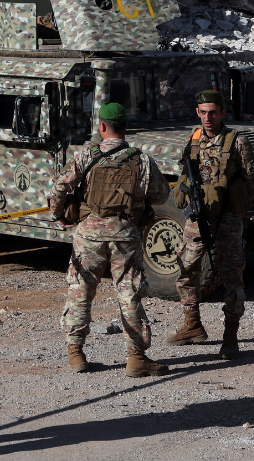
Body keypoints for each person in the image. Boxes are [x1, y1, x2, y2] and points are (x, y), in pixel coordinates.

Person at [49, 102, 170, 377]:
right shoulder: (142, 160)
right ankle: (136, 358)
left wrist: (59, 215)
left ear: (101, 126)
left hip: (89, 235)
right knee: (129, 293)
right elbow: (162, 196)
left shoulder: (85, 156)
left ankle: (75, 353)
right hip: (125, 235)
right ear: (126, 127)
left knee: (80, 291)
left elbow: (59, 186)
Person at [167, 90, 254, 360]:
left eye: (213, 112)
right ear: (197, 112)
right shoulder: (192, 140)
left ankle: (230, 337)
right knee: (186, 272)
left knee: (232, 277)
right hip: (198, 219)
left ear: (222, 112)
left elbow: (252, 181)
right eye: (203, 112)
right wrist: (188, 190)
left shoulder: (237, 142)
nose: (208, 117)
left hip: (228, 220)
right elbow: (184, 174)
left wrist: (230, 199)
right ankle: (192, 325)